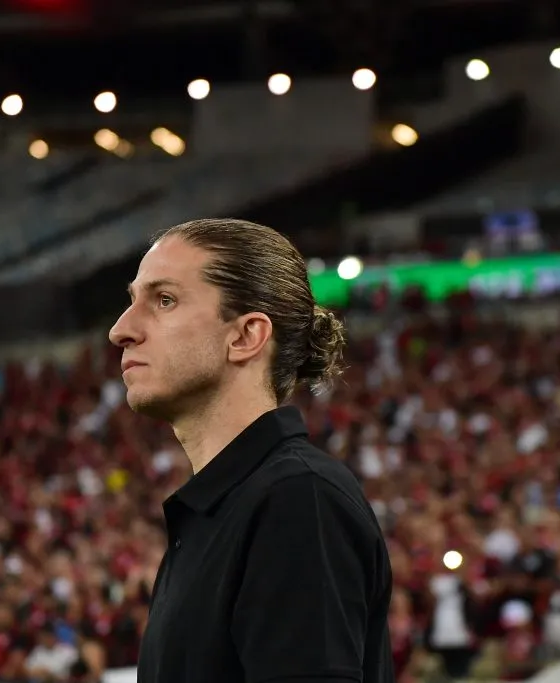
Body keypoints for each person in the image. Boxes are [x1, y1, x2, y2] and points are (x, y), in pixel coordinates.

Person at [108, 218, 394, 683]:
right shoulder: (218, 509)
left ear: (245, 336)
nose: (121, 330)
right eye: (131, 301)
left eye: (164, 300)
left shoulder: (297, 498)